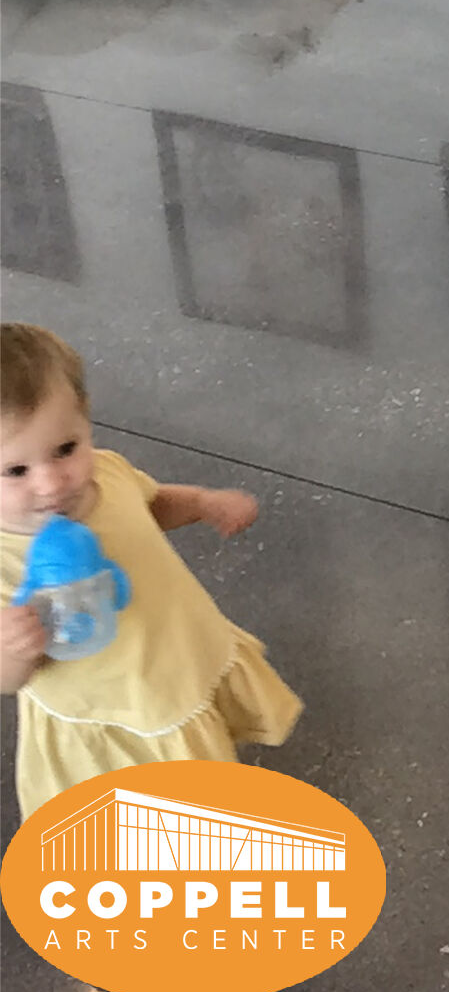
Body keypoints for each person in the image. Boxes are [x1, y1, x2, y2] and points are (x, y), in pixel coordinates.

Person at [0, 323, 301, 819]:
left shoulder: (107, 473)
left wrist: (201, 503)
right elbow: (8, 679)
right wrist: (14, 649)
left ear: (85, 420)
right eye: (16, 471)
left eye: (66, 449)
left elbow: (150, 505)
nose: (52, 483)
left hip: (177, 650)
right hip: (115, 706)